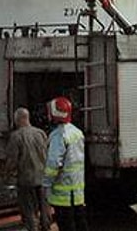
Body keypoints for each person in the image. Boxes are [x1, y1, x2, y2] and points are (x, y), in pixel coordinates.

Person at [43, 97, 86, 231]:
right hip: (77, 193)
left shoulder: (58, 136)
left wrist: (46, 184)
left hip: (63, 195)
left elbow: (54, 163)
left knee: (67, 226)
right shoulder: (77, 133)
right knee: (80, 224)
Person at [6, 107, 50, 231]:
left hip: (26, 179)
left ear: (18, 119)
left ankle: (33, 228)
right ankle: (46, 227)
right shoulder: (41, 133)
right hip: (42, 177)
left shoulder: (16, 136)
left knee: (29, 209)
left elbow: (12, 160)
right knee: (44, 207)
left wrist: (7, 174)